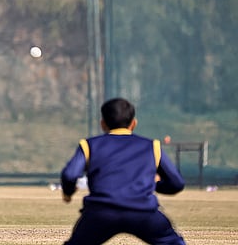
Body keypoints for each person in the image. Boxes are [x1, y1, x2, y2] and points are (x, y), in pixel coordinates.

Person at [61, 98, 186, 245]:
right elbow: (177, 183)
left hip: (101, 212)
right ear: (134, 123)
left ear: (103, 124)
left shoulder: (89, 145)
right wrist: (153, 186)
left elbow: (69, 175)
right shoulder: (152, 146)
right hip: (143, 212)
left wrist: (68, 193)